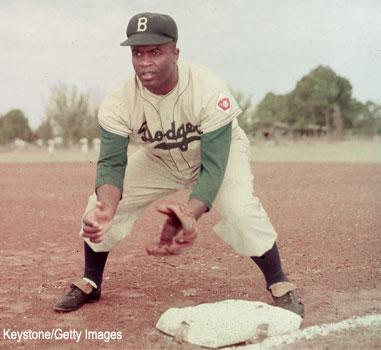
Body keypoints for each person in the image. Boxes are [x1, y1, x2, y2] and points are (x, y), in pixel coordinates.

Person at [54, 12, 304, 317]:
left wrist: (190, 212)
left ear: (175, 52)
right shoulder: (119, 102)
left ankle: (279, 282)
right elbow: (110, 163)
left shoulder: (208, 88)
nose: (144, 61)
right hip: (159, 157)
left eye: (155, 52)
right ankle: (91, 279)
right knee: (98, 206)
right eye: (137, 53)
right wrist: (107, 205)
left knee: (239, 209)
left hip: (215, 154)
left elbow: (213, 167)